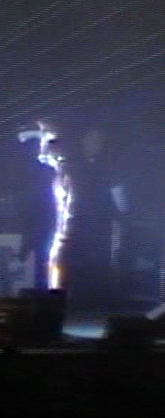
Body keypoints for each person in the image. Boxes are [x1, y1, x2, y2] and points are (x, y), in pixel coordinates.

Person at [57, 124, 126, 312]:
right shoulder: (73, 166)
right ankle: (78, 301)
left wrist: (120, 217)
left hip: (100, 225)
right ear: (82, 141)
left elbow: (118, 197)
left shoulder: (108, 167)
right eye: (90, 139)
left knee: (99, 263)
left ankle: (96, 302)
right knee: (78, 262)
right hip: (77, 223)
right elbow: (64, 192)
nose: (94, 144)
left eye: (97, 140)